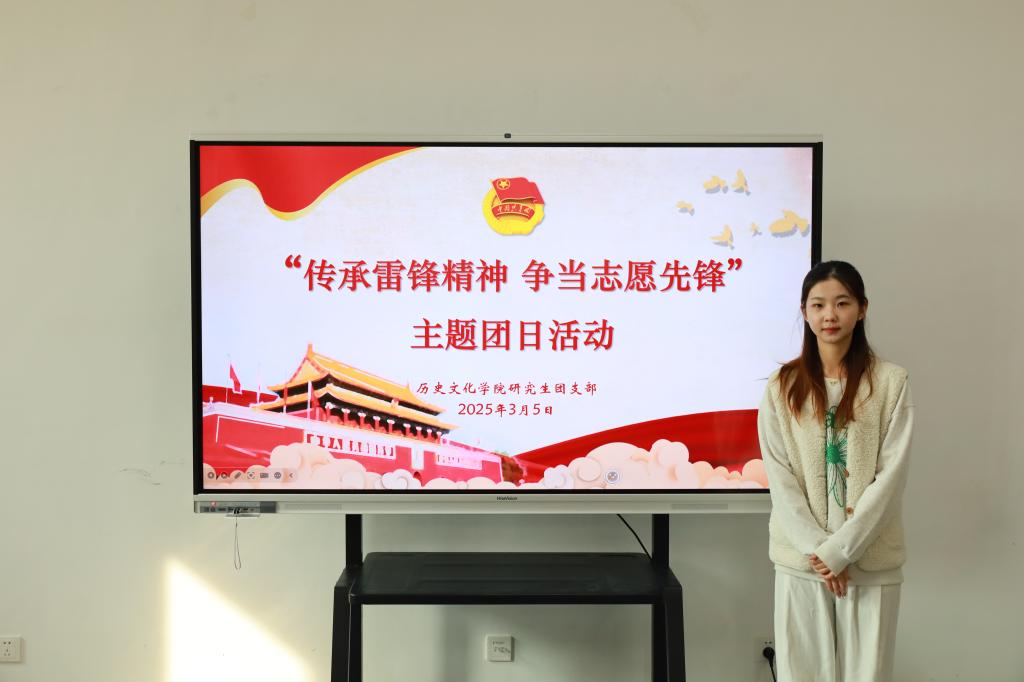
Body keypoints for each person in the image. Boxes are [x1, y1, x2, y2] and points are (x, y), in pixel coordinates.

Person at [757, 260, 914, 681]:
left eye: (842, 303)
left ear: (862, 309)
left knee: (869, 675)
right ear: (805, 312)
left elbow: (891, 476)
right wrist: (821, 552)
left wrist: (842, 550)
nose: (830, 315)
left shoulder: (891, 382)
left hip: (870, 563)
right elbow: (780, 476)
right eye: (819, 304)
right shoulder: (781, 385)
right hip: (801, 562)